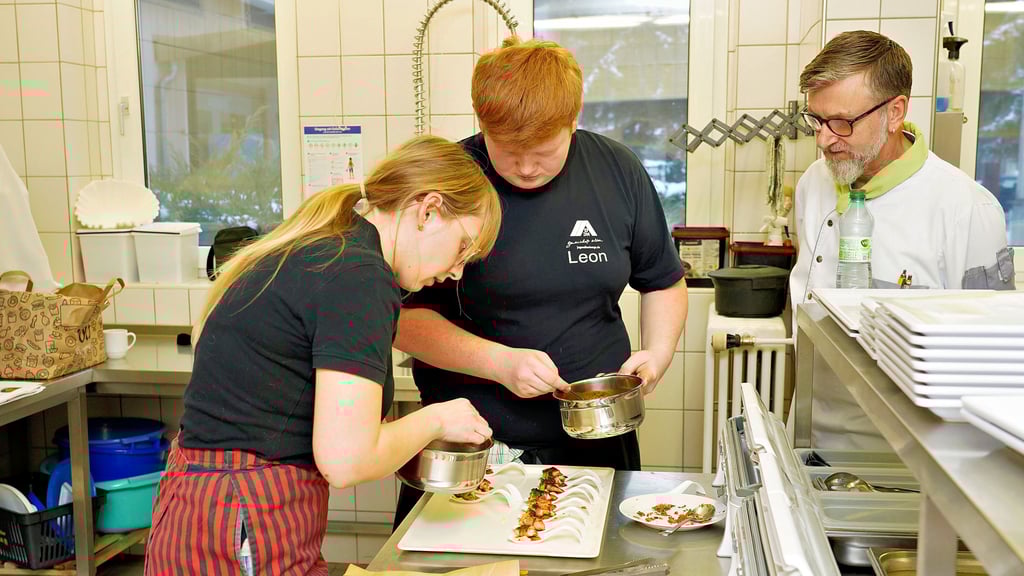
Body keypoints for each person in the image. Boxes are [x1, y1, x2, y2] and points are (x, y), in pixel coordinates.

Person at [144, 136, 499, 576]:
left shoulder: (331, 243)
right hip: (240, 520)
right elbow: (345, 460)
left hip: (201, 511)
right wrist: (438, 420)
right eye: (463, 247)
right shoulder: (360, 276)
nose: (456, 272)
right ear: (427, 211)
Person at [392, 37, 688, 527]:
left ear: (574, 120)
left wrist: (658, 353)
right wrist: (497, 362)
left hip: (596, 437)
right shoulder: (450, 183)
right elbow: (401, 319)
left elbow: (662, 281)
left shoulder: (619, 173)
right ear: (482, 124)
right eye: (508, 151)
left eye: (544, 151)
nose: (526, 167)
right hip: (473, 442)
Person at [790, 31, 1015, 449]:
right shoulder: (813, 184)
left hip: (906, 459)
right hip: (813, 436)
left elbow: (993, 372)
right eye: (816, 121)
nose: (823, 139)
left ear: (895, 112)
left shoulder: (967, 209)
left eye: (842, 122)